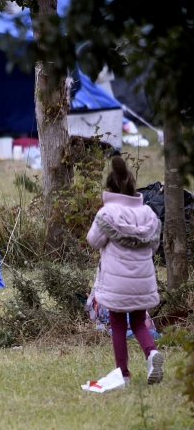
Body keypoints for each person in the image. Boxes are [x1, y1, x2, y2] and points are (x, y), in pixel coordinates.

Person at [86, 156, 165, 385]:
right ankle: (151, 353)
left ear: (110, 189)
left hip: (116, 283)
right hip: (142, 281)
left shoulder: (106, 214)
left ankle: (124, 373)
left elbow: (93, 240)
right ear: (132, 187)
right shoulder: (148, 214)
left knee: (118, 325)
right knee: (139, 323)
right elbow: (154, 245)